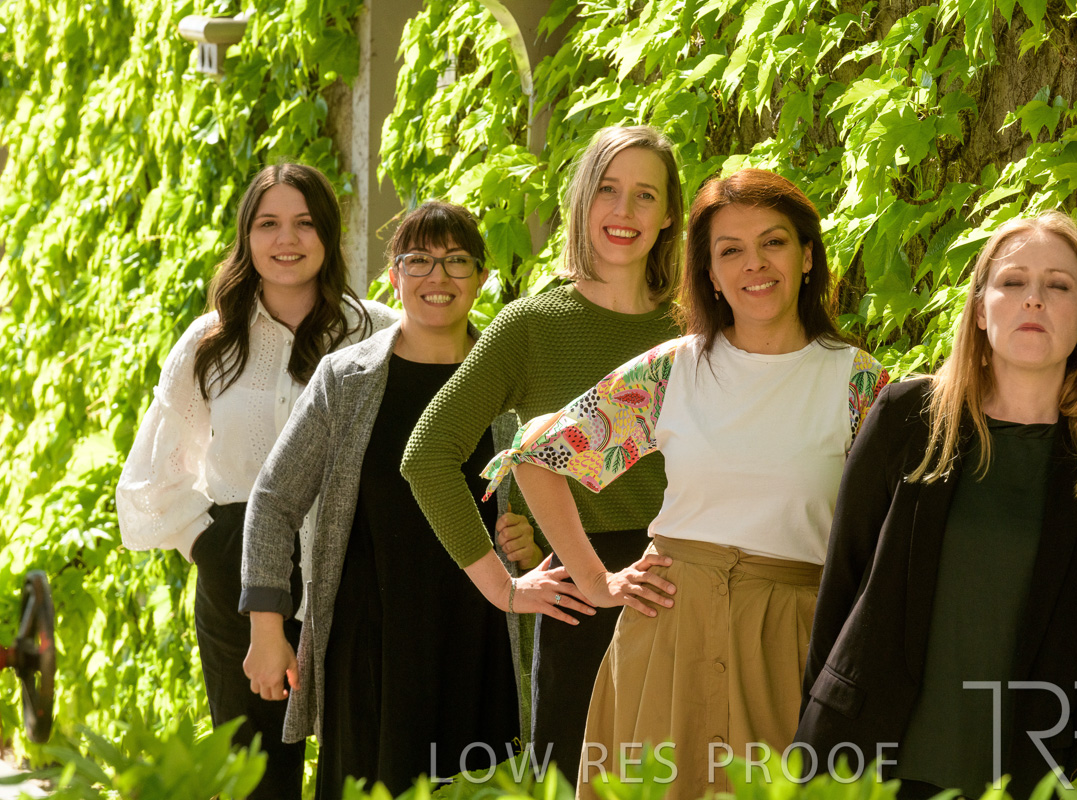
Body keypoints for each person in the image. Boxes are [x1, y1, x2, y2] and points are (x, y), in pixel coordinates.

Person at [486, 169, 889, 798]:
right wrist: (596, 580)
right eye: (730, 250)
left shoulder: (858, 382)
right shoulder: (673, 371)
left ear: (807, 256)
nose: (754, 264)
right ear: (709, 273)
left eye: (773, 242)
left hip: (791, 644)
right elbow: (537, 456)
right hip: (667, 638)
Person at [794, 212, 1077, 799]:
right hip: (868, 756)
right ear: (981, 309)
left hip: (1022, 772)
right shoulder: (906, 418)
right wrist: (819, 730)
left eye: (1058, 285)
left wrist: (1070, 762)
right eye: (1013, 281)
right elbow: (841, 585)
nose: (1033, 298)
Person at [238, 201, 583, 798]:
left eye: (457, 261)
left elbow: (567, 498)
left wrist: (534, 543)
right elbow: (273, 499)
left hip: (483, 640)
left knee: (482, 787)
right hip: (371, 642)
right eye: (418, 260)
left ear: (481, 277)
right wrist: (266, 627)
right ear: (394, 277)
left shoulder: (516, 381)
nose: (437, 277)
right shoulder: (345, 381)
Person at [400, 125, 686, 783]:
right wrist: (503, 589)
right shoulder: (531, 326)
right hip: (580, 597)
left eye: (645, 195)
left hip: (686, 582)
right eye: (608, 189)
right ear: (582, 199)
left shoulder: (696, 327)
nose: (624, 211)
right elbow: (428, 454)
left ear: (670, 214)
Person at [116, 163, 397, 799]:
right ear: (247, 237)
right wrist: (211, 545)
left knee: (360, 767)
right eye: (268, 224)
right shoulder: (212, 339)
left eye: (304, 223)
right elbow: (154, 470)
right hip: (240, 578)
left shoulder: (377, 331)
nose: (286, 239)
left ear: (328, 234)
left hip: (353, 570)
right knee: (256, 777)